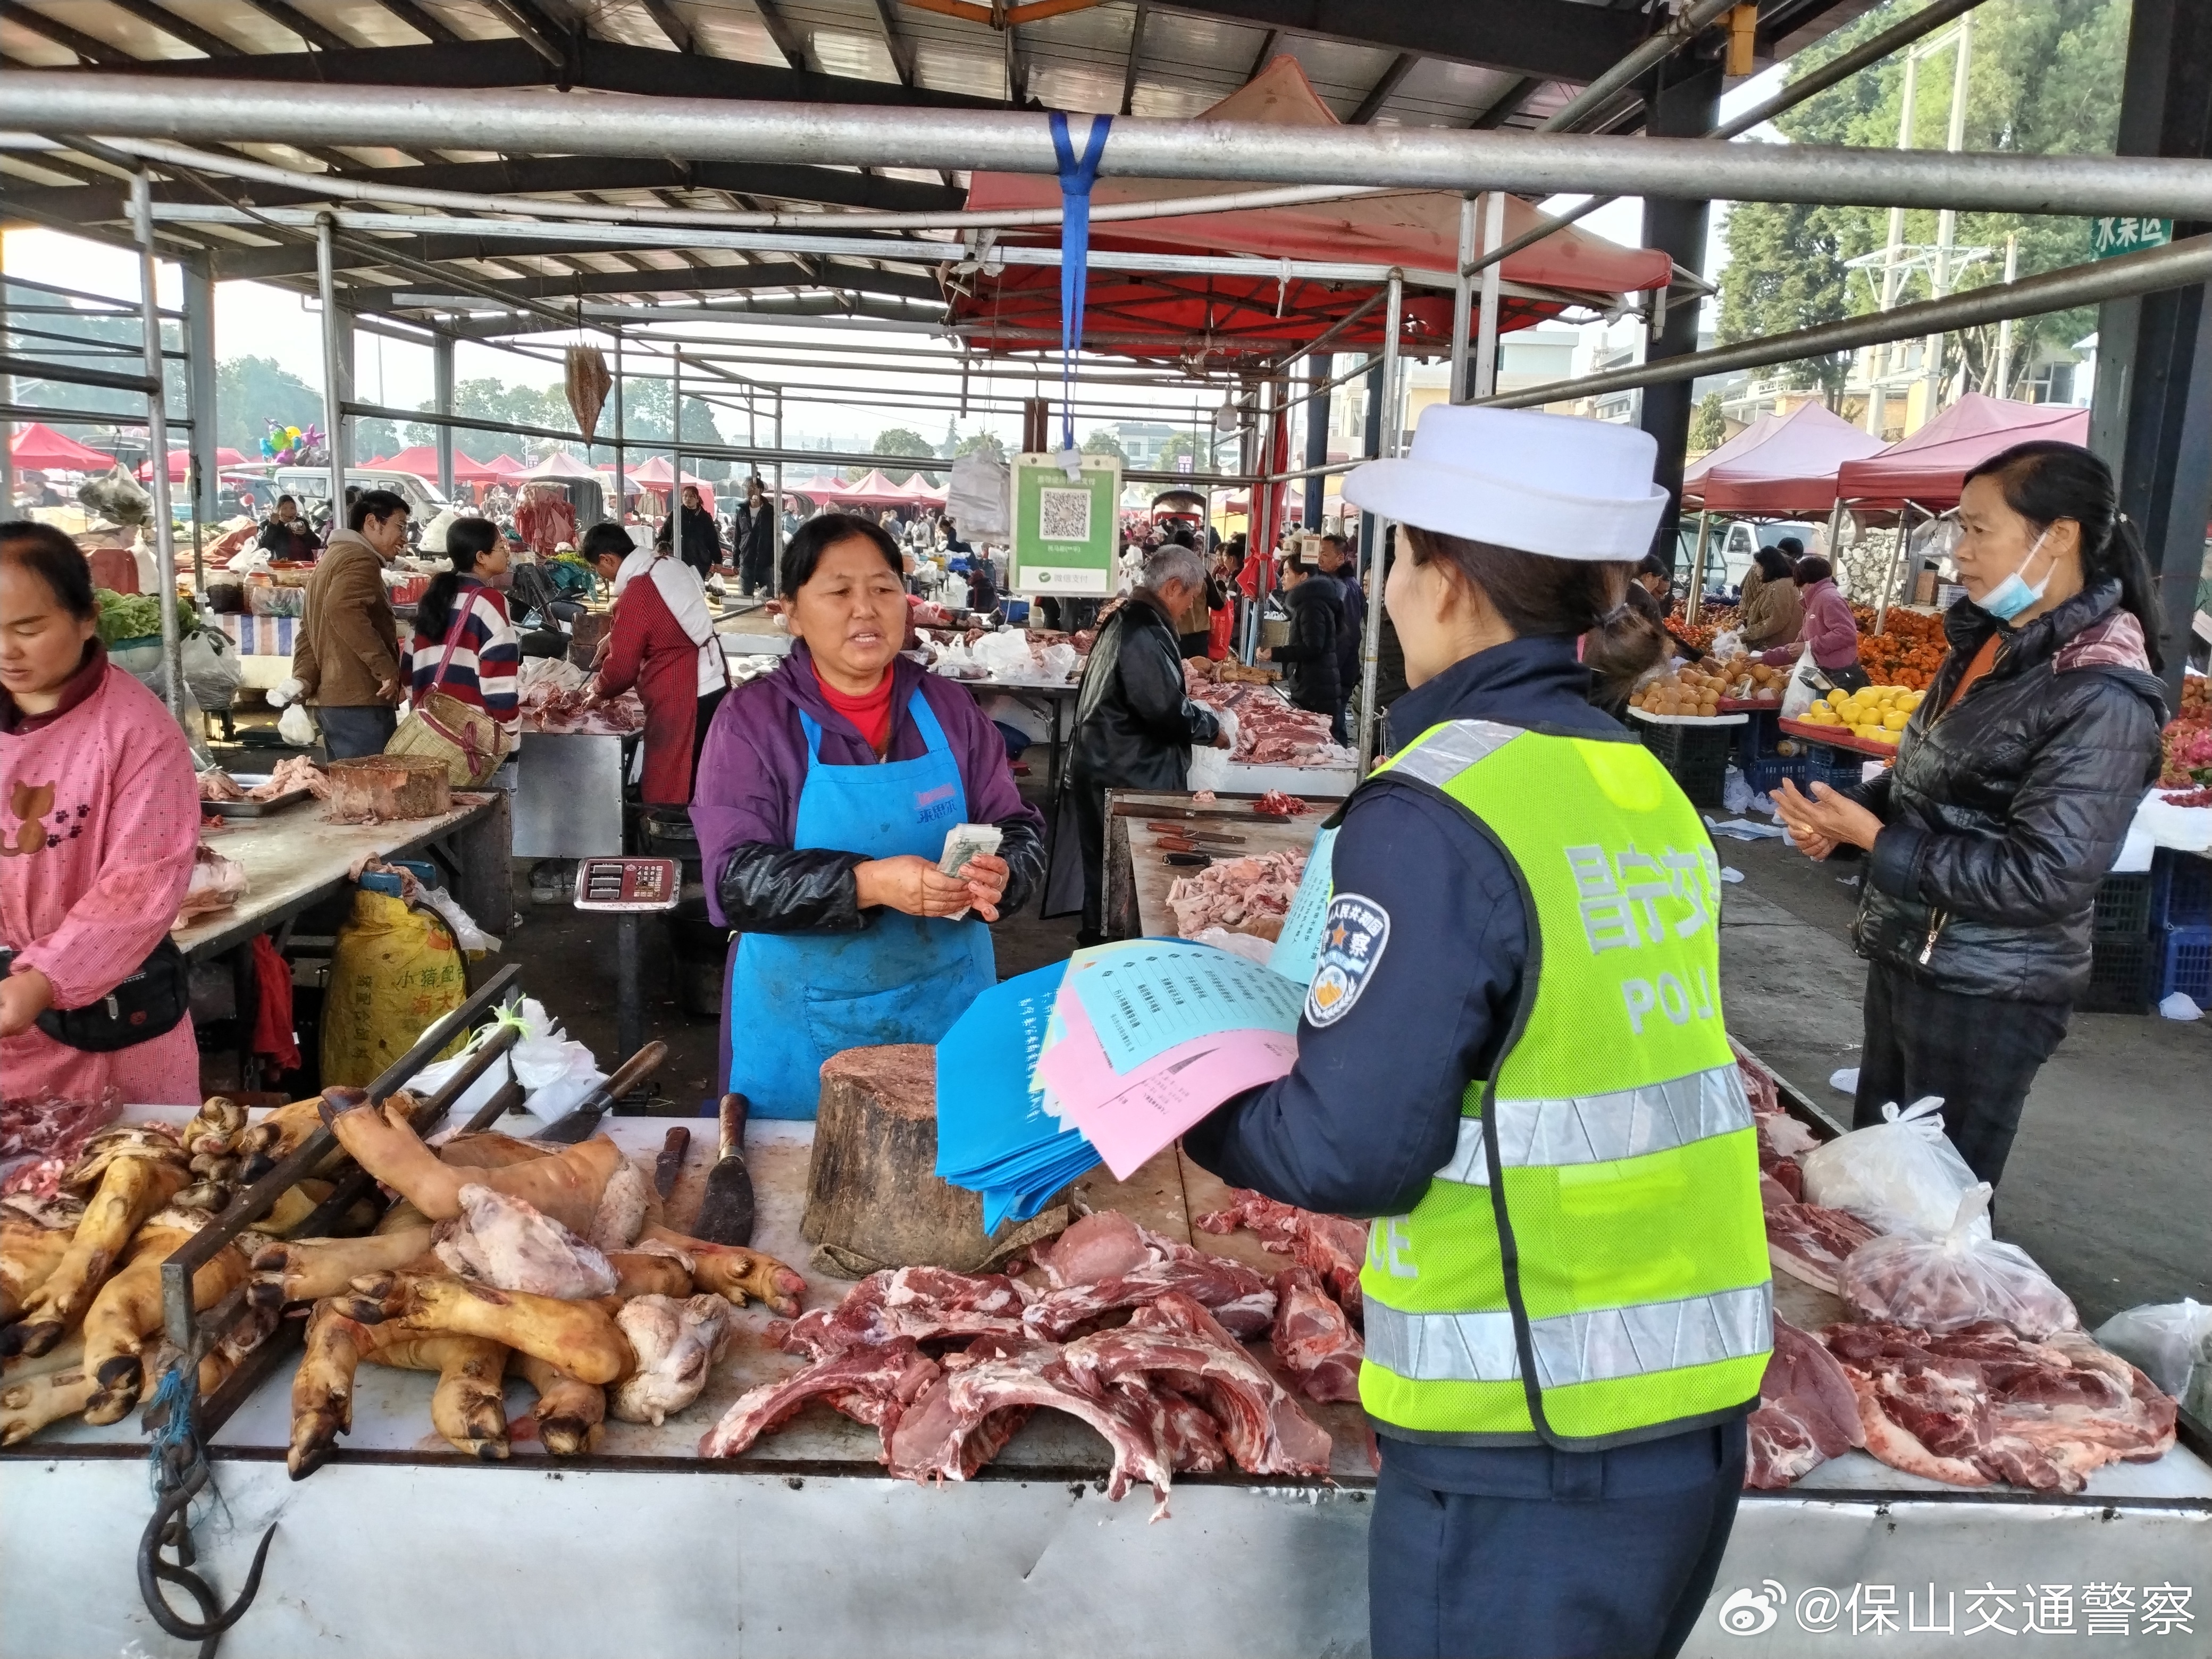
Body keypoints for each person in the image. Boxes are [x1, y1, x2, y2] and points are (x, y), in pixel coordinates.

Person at [1183, 405, 1766, 1659]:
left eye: (1399, 559)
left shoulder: (1439, 804)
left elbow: (1355, 1153)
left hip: (1527, 1433)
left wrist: (1180, 1093)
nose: (1389, 589)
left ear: (1444, 579)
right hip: (1686, 1408)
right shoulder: (1636, 780)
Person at [1773, 441, 2166, 1187]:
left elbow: (2045, 877)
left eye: (1979, 530)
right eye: (1959, 530)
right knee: (1875, 1187)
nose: (1958, 553)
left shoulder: (2100, 692)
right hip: (1915, 957)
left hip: (1990, 991)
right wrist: (1845, 821)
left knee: (1934, 1207)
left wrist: (1878, 840)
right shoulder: (1990, 643)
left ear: (2059, 536)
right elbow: (1927, 772)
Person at [691, 513, 1045, 1118]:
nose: (866, 609)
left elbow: (1018, 827)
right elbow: (734, 880)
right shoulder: (751, 722)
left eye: (883, 589)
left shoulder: (947, 708)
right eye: (838, 591)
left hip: (947, 1005)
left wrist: (1007, 873)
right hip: (800, 1020)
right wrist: (870, 883)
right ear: (793, 612)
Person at [0, 522, 203, 1104]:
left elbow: (140, 885)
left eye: (29, 629)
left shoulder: (137, 733)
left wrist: (46, 977)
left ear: (87, 619)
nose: (8, 651)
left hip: (112, 1014)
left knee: (130, 1175)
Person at [1050, 542, 1227, 945]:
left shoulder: (1131, 617)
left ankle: (1101, 940)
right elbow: (1163, 710)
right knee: (1131, 872)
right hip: (1127, 769)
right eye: (1192, 598)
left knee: (1108, 869)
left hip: (1108, 762)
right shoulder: (1144, 628)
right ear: (1174, 588)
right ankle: (1115, 951)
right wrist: (1208, 727)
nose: (1190, 609)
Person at [579, 522, 726, 806]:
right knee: (703, 771)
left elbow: (621, 671)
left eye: (600, 569)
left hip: (685, 689)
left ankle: (673, 841)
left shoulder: (638, 591)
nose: (604, 578)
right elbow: (671, 616)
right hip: (713, 681)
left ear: (608, 559)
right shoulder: (666, 564)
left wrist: (595, 692)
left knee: (673, 780)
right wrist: (616, 634)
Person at [292, 487, 410, 760]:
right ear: (372, 523)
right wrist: (385, 669)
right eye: (400, 526)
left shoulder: (332, 557)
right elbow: (342, 609)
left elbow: (309, 627)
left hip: (334, 700)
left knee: (347, 791)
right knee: (370, 793)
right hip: (358, 700)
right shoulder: (360, 558)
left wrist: (304, 679)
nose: (404, 538)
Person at [401, 516, 519, 754]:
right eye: (501, 547)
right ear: (481, 557)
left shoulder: (434, 597)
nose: (507, 553)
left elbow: (407, 670)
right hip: (472, 738)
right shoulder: (490, 601)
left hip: (430, 734)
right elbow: (497, 680)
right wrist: (511, 730)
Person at [1261, 550, 1345, 743]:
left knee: (1319, 742)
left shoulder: (1311, 605)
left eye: (1288, 573)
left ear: (1304, 577)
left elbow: (1312, 647)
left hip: (1315, 687)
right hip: (1313, 684)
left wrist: (1275, 653)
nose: (1283, 578)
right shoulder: (1308, 603)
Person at [1758, 553, 1866, 693]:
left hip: (1840, 677)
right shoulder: (1815, 601)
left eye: (1799, 583)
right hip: (1825, 675)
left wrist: (1809, 646)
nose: (1800, 589)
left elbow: (1846, 634)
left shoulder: (1829, 599)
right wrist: (1765, 657)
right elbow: (1799, 645)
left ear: (1807, 582)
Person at [1318, 532, 1365, 733]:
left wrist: (1331, 670)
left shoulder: (1345, 588)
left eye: (1325, 555)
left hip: (1341, 669)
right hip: (1339, 669)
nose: (1320, 559)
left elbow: (1349, 634)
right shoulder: (1335, 584)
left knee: (1334, 725)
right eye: (1319, 553)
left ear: (1341, 558)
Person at [1736, 543, 1804, 651]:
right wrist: (1746, 622)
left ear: (1767, 568)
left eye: (1758, 567)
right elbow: (1768, 613)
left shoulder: (1780, 587)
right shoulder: (1777, 585)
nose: (1755, 572)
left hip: (1776, 648)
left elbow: (1776, 621)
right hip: (1775, 647)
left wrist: (1747, 634)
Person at [657, 482, 723, 580]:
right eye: (685, 496)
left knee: (696, 589)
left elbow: (713, 541)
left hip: (699, 562)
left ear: (697, 499)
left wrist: (718, 560)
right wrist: (659, 549)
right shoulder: (676, 514)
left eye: (691, 496)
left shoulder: (705, 518)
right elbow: (664, 535)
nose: (688, 499)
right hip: (677, 560)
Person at [735, 476, 776, 599]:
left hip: (765, 562)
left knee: (769, 597)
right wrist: (735, 561)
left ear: (761, 490)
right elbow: (738, 536)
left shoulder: (770, 511)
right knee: (745, 598)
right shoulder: (741, 510)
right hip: (746, 560)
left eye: (753, 488)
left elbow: (775, 536)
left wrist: (774, 560)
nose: (749, 491)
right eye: (747, 488)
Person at [256, 493, 321, 562]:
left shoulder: (301, 523)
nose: (289, 512)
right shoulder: (266, 525)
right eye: (285, 508)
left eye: (292, 508)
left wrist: (306, 533)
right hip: (280, 566)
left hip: (302, 566)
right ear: (277, 511)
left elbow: (317, 544)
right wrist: (272, 526)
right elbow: (263, 546)